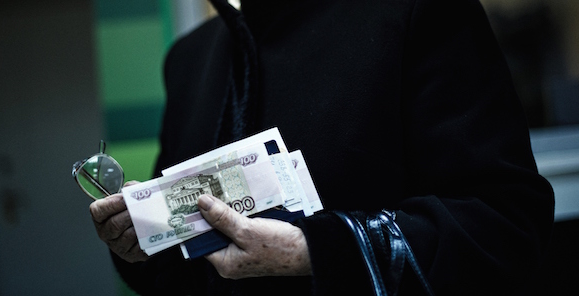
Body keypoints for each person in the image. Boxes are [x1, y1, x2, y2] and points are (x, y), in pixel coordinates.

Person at [89, 0, 554, 295]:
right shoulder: (189, 59)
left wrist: (315, 252)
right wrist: (142, 244)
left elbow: (506, 223)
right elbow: (181, 271)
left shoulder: (418, 11)